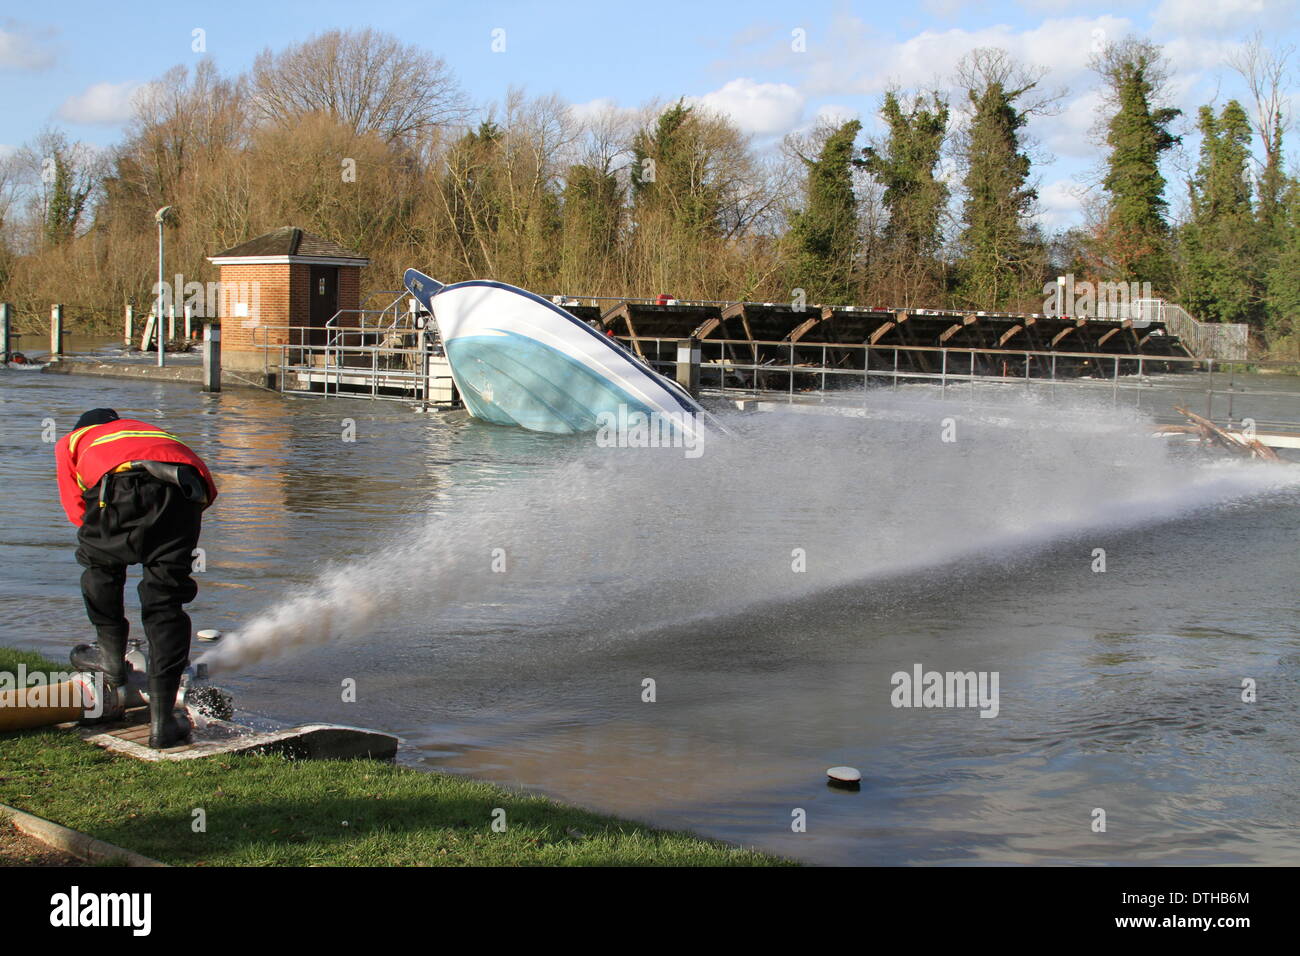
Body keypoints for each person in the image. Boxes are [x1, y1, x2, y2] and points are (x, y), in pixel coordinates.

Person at [54, 409, 218, 748]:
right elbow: (205, 491)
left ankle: (111, 661)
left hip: (119, 483)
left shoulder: (72, 441)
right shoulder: (147, 431)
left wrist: (114, 542)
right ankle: (163, 724)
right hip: (185, 489)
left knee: (100, 568)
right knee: (165, 602)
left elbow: (78, 513)